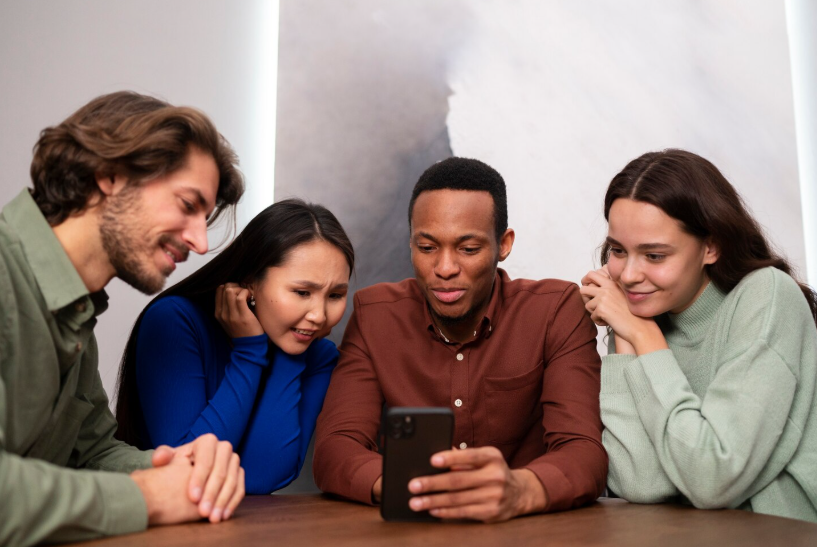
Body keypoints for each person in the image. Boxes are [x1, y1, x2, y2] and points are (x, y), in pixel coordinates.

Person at [0, 91, 248, 546]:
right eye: (188, 204)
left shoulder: (76, 310)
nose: (200, 243)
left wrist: (179, 470)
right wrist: (146, 497)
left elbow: (91, 451)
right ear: (110, 174)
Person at [313, 157, 607, 522]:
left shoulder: (556, 312)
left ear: (504, 244)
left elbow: (584, 452)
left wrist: (520, 490)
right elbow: (334, 449)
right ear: (410, 243)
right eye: (427, 248)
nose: (445, 268)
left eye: (468, 249)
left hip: (527, 534)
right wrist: (415, 487)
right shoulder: (375, 315)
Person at [580, 149, 817, 522]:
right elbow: (642, 484)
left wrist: (644, 337)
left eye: (654, 256)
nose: (627, 276)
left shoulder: (767, 296)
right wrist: (626, 339)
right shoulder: (640, 313)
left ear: (711, 246)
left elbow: (711, 478)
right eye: (617, 251)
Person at [114, 199, 354, 494]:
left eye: (335, 296)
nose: (319, 315)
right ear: (251, 281)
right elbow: (187, 472)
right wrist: (249, 352)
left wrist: (290, 351)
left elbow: (260, 479)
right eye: (302, 292)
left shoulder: (317, 356)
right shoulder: (175, 321)